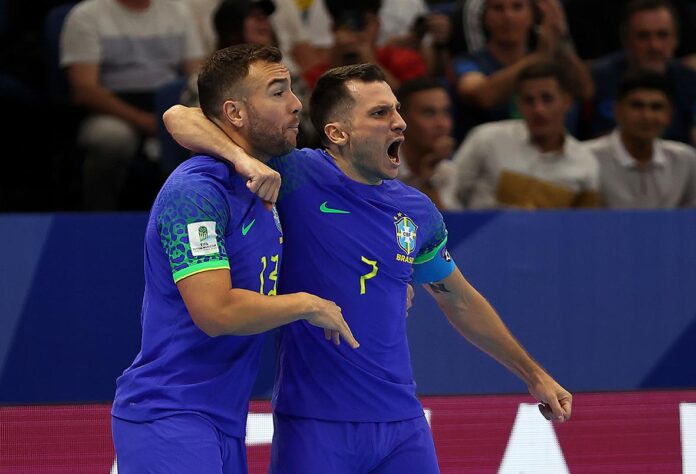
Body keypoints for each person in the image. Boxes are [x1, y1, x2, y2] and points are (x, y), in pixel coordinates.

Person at [164, 63, 572, 474]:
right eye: (379, 114)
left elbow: (461, 301)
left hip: (403, 427)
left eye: (396, 110)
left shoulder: (416, 211)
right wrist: (243, 160)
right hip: (315, 425)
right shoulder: (293, 174)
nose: (400, 123)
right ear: (337, 133)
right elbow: (179, 117)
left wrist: (533, 375)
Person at [111, 44, 358, 474]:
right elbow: (215, 311)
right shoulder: (195, 193)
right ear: (236, 113)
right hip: (170, 418)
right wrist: (309, 304)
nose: (297, 104)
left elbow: (184, 117)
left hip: (224, 421)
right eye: (278, 92)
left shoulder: (274, 176)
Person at [60, 0, 206, 210]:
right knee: (111, 139)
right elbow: (84, 89)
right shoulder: (86, 15)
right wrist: (144, 121)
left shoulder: (177, 11)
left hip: (169, 106)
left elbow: (198, 76)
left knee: (209, 135)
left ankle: (194, 213)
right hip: (111, 110)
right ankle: (100, 216)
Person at [445, 60, 600, 209]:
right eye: (529, 100)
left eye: (547, 99)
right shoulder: (486, 138)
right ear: (518, 104)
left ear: (566, 102)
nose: (538, 109)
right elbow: (450, 192)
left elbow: (585, 225)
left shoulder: (585, 162)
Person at [451, 0, 593, 139]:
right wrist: (538, 57)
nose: (508, 16)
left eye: (517, 7)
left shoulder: (547, 57)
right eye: (498, 8)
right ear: (485, 17)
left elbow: (586, 91)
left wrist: (560, 40)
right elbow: (481, 96)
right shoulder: (466, 62)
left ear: (533, 15)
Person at [587, 0, 696, 145]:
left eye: (662, 35)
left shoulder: (690, 81)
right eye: (643, 36)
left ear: (675, 39)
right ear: (625, 40)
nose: (654, 46)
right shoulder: (597, 80)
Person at [584, 71, 696, 208]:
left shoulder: (685, 160)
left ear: (669, 115)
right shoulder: (587, 157)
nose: (647, 116)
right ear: (617, 111)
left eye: (656, 107)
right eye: (637, 106)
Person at [395, 77, 456, 209]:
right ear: (400, 119)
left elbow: (447, 227)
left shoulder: (447, 171)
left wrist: (429, 180)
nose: (442, 124)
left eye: (445, 112)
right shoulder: (379, 169)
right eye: (429, 113)